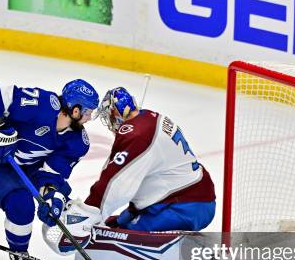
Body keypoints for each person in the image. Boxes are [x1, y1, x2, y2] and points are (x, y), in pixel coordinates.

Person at [0, 79, 99, 260]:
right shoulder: (40, 104)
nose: (89, 117)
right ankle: (19, 253)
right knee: (21, 205)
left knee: (62, 204)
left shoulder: (77, 141)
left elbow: (52, 174)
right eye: (87, 111)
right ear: (75, 110)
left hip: (30, 168)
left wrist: (52, 196)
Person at [69, 86, 216, 233]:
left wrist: (89, 212)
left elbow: (116, 182)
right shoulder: (150, 116)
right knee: (119, 226)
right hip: (186, 197)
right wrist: (122, 218)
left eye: (109, 116)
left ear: (115, 114)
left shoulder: (137, 135)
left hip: (188, 205)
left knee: (129, 236)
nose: (110, 123)